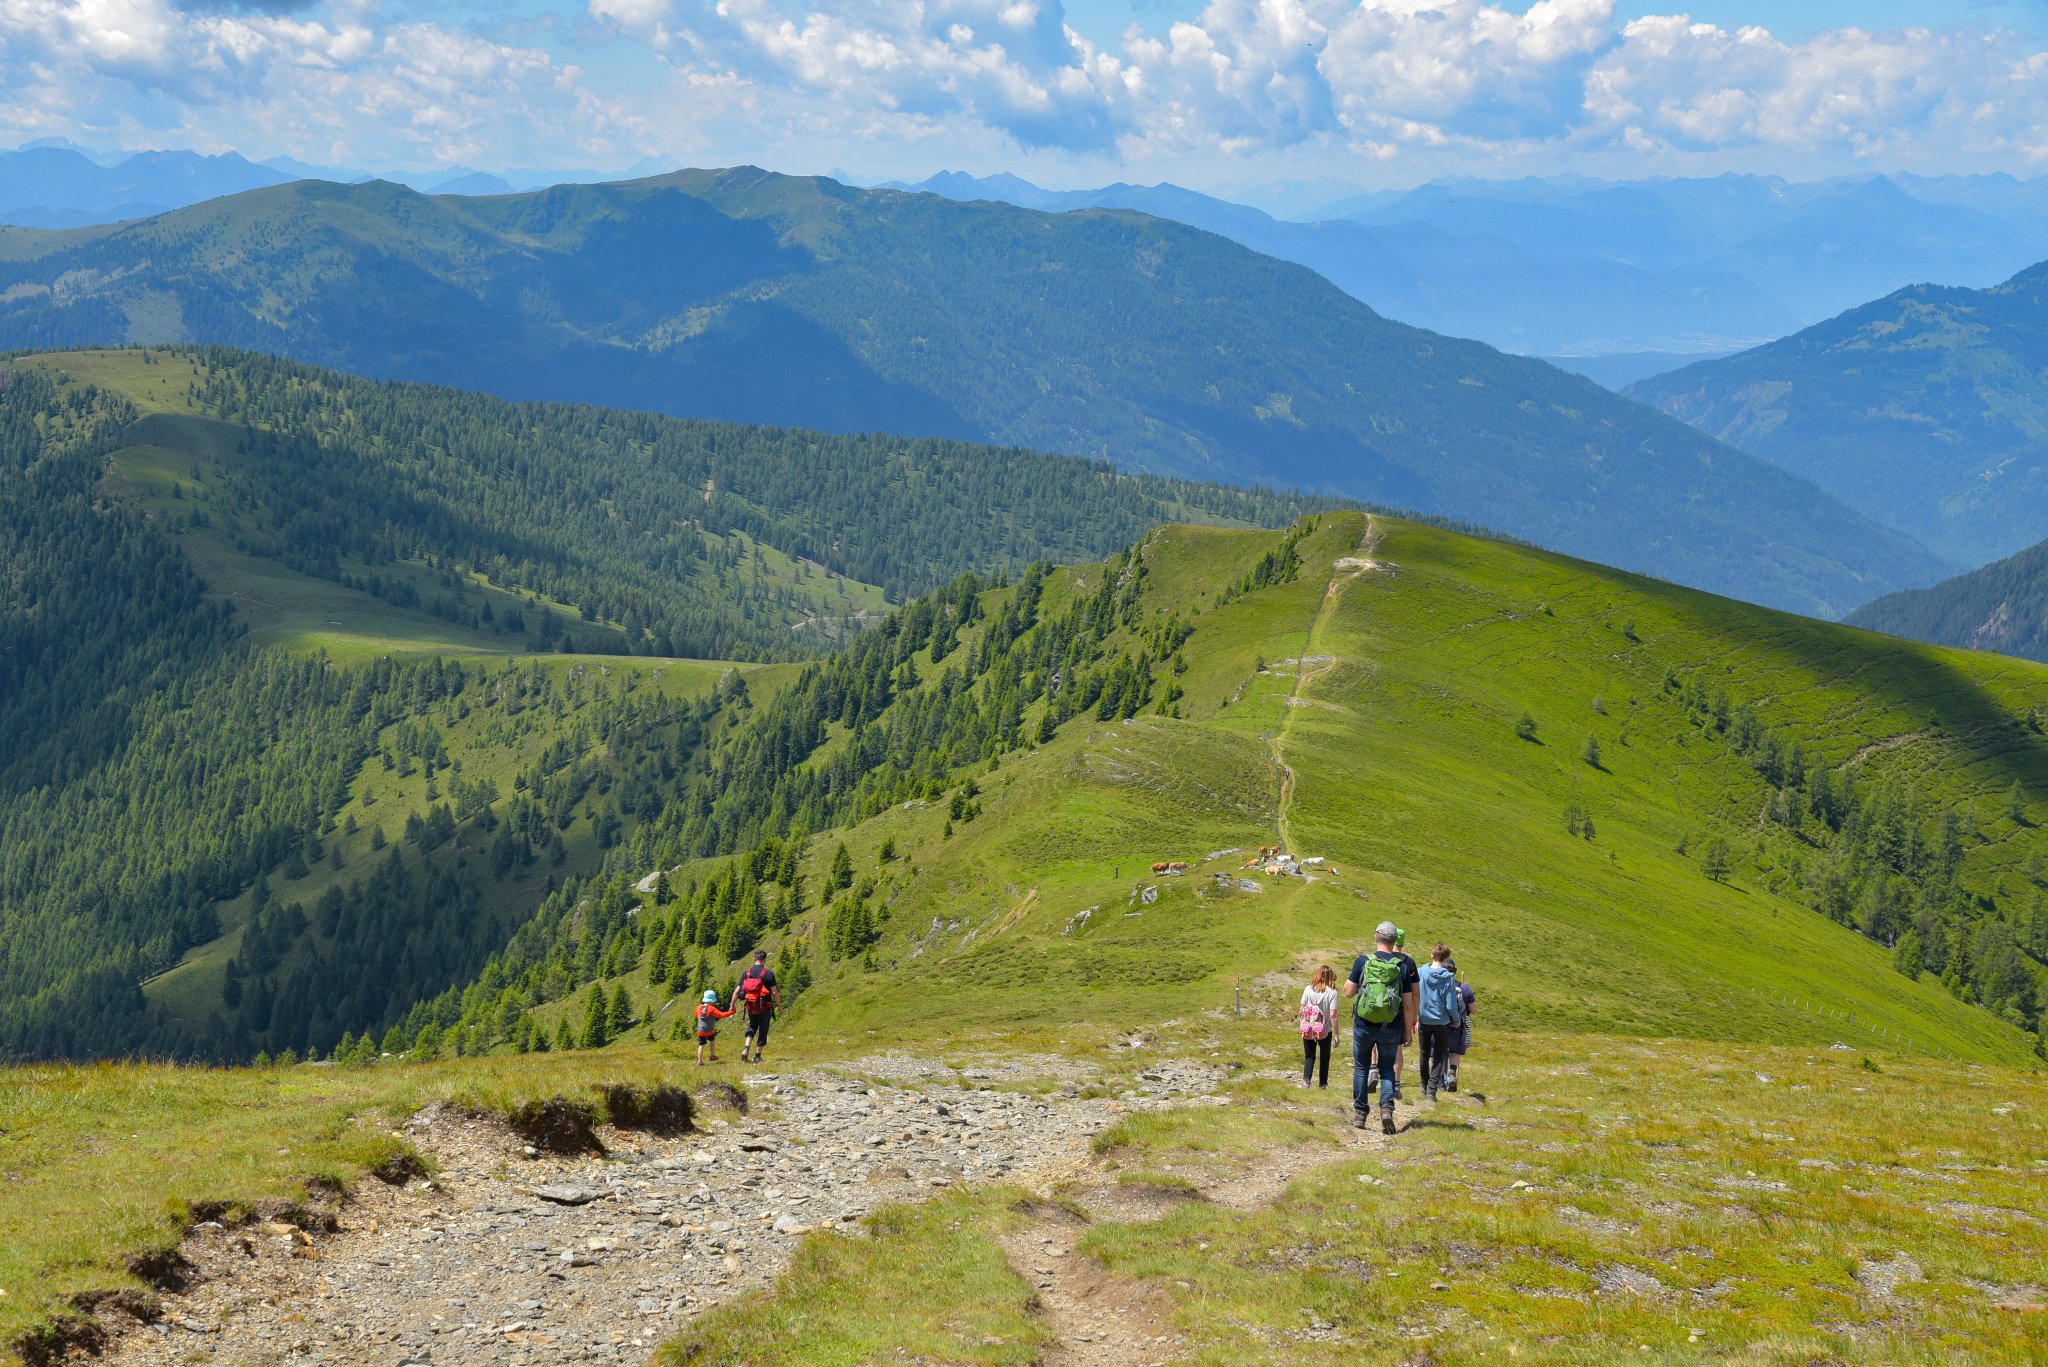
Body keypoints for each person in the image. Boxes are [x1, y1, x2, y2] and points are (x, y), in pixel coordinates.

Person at [1344, 921, 1418, 1134]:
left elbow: (1348, 992)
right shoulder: (1401, 966)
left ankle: (1360, 1114)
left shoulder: (1362, 961)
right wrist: (1408, 1031)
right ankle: (1386, 1109)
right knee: (1387, 1068)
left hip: (1364, 1024)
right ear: (1395, 941)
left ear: (1376, 937)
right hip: (1391, 1025)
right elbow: (1408, 1004)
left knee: (1361, 1067)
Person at [1415, 942, 1466, 1101]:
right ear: (1446, 959)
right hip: (1442, 1021)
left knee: (1424, 1054)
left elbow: (1415, 995)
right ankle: (1431, 1090)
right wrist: (1457, 1019)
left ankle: (1424, 1086)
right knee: (1438, 1056)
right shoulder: (1448, 978)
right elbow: (1451, 1004)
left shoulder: (1421, 972)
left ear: (1432, 955)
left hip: (1424, 1018)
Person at [732, 949, 781, 1064]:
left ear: (754, 959)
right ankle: (757, 1056)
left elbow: (736, 991)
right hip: (765, 1007)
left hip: (751, 1006)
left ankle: (746, 1047)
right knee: (763, 1030)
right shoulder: (768, 973)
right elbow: (774, 992)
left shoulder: (747, 973)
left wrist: (732, 1005)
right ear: (764, 960)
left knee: (752, 1026)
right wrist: (780, 1006)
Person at [1298, 964, 1340, 1089]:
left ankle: (1306, 1081)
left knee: (1309, 1055)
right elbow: (1333, 1014)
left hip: (1308, 1028)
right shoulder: (1332, 993)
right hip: (1325, 1029)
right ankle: (1322, 1084)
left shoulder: (1308, 989)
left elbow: (1301, 1009)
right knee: (1325, 1056)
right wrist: (1337, 1035)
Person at [1392, 928, 1420, 1100]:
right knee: (1397, 1048)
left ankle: (1373, 1068)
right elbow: (1415, 993)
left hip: (1378, 1008)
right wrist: (1414, 1016)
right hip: (1400, 1010)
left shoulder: (1376, 957)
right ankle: (1395, 1083)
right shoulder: (1408, 963)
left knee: (1374, 1041)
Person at [1446, 959, 1475, 1092]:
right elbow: (1474, 1010)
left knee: (1440, 1052)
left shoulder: (1439, 985)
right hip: (1459, 1025)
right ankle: (1452, 1073)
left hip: (1441, 1023)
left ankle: (1441, 1081)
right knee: (1455, 1051)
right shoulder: (1464, 987)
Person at [693, 989, 734, 1066]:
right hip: (710, 1030)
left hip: (700, 1030)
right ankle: (712, 1056)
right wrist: (731, 1012)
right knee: (712, 1040)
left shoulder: (698, 1007)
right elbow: (722, 1015)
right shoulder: (712, 1008)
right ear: (712, 1000)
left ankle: (699, 1061)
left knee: (701, 1044)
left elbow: (695, 1015)